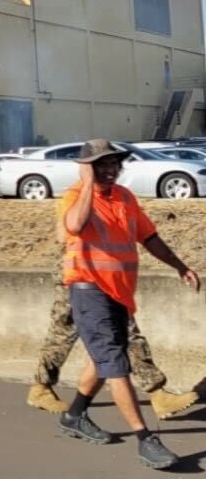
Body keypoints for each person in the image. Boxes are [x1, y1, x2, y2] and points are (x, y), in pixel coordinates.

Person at [55, 139, 200, 470]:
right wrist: (88, 183)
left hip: (119, 293)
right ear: (87, 168)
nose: (109, 170)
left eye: (113, 164)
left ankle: (74, 415)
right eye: (101, 165)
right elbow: (74, 226)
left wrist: (180, 266)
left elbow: (149, 238)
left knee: (103, 358)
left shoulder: (125, 198)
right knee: (115, 363)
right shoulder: (75, 197)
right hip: (88, 289)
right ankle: (145, 439)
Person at [26, 259, 199, 419]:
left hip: (108, 271)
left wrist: (179, 265)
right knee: (64, 330)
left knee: (124, 329)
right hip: (78, 271)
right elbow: (67, 232)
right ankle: (42, 387)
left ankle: (157, 394)